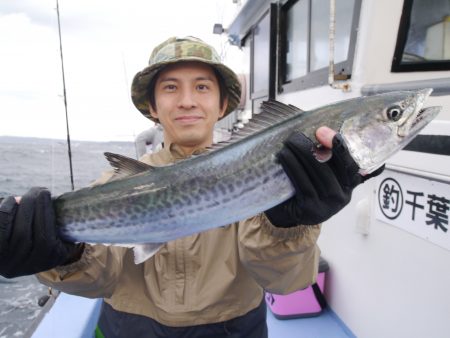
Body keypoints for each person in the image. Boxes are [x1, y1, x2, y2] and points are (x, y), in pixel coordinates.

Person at [0, 36, 382, 337]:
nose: (186, 101)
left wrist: (290, 227)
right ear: (152, 107)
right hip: (133, 330)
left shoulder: (278, 167)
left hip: (234, 330)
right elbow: (101, 276)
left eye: (202, 87)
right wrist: (59, 255)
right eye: (170, 88)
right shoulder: (117, 183)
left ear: (221, 106)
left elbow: (286, 283)